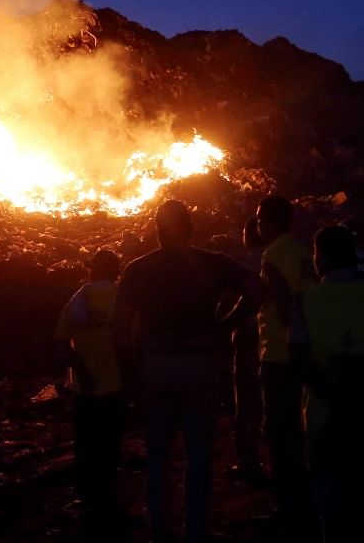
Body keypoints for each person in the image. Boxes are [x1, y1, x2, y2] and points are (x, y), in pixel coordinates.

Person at [114, 200, 268, 543]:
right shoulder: (212, 263)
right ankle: (196, 530)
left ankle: (160, 529)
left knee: (158, 452)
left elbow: (120, 325)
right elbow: (258, 289)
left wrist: (129, 370)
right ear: (190, 229)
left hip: (156, 364)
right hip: (201, 363)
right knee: (199, 452)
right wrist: (228, 323)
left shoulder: (139, 268)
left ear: (157, 232)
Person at [290, 225, 364, 543]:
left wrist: (335, 396)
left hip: (324, 416)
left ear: (323, 257)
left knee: (332, 505)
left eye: (315, 253)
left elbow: (298, 359)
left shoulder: (306, 301)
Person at [255, 194, 317, 536]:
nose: (258, 225)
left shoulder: (274, 254)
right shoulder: (302, 251)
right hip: (307, 348)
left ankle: (289, 508)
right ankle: (306, 498)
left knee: (279, 432)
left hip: (279, 354)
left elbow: (281, 303)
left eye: (261, 219)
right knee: (299, 428)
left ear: (274, 222)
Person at [55, 249, 127, 536]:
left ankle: (89, 501)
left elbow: (60, 341)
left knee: (86, 444)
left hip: (85, 389)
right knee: (111, 444)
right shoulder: (125, 298)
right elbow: (134, 341)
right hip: (116, 385)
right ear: (116, 271)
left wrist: (81, 371)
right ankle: (107, 499)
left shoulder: (78, 299)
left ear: (93, 271)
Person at [227, 216, 267, 484]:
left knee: (248, 402)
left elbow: (229, 301)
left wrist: (224, 325)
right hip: (279, 341)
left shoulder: (243, 267)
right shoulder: (281, 260)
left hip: (250, 339)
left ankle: (249, 461)